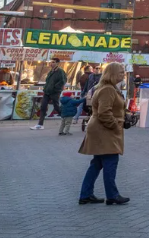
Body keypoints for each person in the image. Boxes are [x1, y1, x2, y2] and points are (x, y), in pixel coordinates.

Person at [77, 62, 129, 206]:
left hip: (101, 129)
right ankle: (112, 195)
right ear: (112, 73)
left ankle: (86, 194)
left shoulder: (107, 88)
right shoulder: (108, 89)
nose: (123, 74)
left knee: (97, 163)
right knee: (110, 162)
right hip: (105, 130)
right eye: (120, 72)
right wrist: (115, 126)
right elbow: (104, 112)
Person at [34, 60, 66, 130]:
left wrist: (55, 88)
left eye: (53, 62)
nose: (51, 63)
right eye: (51, 62)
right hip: (47, 92)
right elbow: (48, 81)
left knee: (56, 107)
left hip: (54, 92)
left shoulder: (60, 71)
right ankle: (40, 124)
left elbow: (63, 81)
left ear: (57, 63)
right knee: (43, 107)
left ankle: (65, 118)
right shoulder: (51, 71)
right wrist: (46, 87)